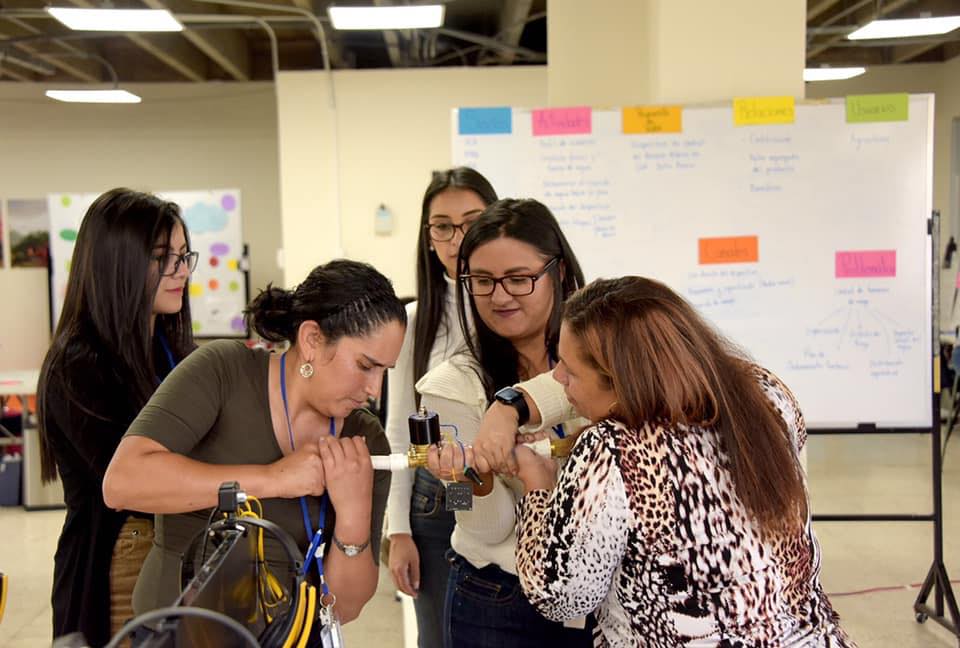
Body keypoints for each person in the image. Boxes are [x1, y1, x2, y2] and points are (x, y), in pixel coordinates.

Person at [510, 276, 855, 646]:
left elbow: (562, 596)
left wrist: (538, 487)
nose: (557, 378)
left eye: (570, 371)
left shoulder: (612, 447)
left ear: (621, 383)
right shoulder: (764, 393)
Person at [102, 259, 405, 627]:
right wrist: (273, 479)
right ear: (311, 340)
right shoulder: (223, 371)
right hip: (177, 632)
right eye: (364, 365)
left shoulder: (365, 440)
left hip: (287, 636)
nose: (375, 390)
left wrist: (354, 516)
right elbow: (122, 483)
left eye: (384, 371)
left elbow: (343, 608)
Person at [419, 198, 593, 647]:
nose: (499, 296)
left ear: (558, 272)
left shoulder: (601, 356)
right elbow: (484, 527)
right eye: (482, 281)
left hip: (603, 591)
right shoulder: (450, 386)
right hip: (498, 597)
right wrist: (462, 482)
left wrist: (509, 405)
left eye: (519, 279)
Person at [37, 188, 196, 646]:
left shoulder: (171, 351)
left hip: (177, 550)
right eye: (163, 258)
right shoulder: (78, 364)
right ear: (117, 263)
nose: (181, 271)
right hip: (116, 562)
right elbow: (132, 483)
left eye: (185, 256)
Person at [385, 167, 497, 648]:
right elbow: (396, 431)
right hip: (436, 496)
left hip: (507, 485)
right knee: (440, 637)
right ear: (429, 237)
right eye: (443, 226)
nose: (457, 238)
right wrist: (398, 532)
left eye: (472, 221)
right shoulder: (413, 320)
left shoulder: (513, 306)